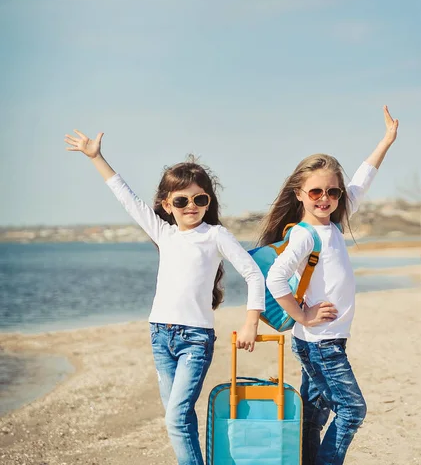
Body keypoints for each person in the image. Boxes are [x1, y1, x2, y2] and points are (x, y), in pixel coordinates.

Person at [64, 129, 265, 465]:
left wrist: (250, 323)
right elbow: (126, 197)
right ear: (166, 204)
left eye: (199, 199)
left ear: (208, 201)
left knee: (175, 418)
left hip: (195, 340)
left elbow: (253, 274)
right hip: (159, 336)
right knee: (180, 420)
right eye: (181, 200)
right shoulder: (163, 233)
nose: (191, 206)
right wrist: (96, 157)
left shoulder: (216, 235)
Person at [261, 106, 398, 465]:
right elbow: (275, 278)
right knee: (352, 410)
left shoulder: (332, 225)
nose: (326, 198)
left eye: (333, 192)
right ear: (300, 194)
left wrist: (386, 141)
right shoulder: (306, 236)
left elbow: (363, 180)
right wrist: (302, 316)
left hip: (324, 342)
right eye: (317, 191)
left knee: (313, 416)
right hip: (321, 344)